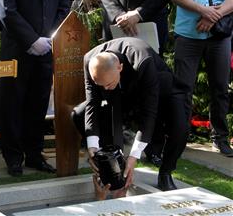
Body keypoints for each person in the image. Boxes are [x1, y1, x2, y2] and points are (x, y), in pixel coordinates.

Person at [72, 37, 189, 195]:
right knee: (79, 114)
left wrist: (134, 156)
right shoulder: (89, 60)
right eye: (101, 85)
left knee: (180, 128)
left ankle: (166, 172)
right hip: (125, 91)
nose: (105, 88)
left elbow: (149, 112)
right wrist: (93, 147)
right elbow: (92, 103)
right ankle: (112, 165)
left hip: (161, 89)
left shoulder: (143, 59)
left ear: (119, 67)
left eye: (108, 84)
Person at [96, 0, 178, 166]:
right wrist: (118, 15)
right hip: (116, 26)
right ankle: (113, 148)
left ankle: (153, 147)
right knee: (112, 89)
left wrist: (139, 14)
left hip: (150, 23)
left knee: (151, 87)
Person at [0, 0, 71, 176]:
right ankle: (13, 157)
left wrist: (49, 38)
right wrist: (31, 40)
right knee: (12, 104)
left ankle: (35, 154)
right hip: (17, 48)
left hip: (47, 47)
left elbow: (64, 6)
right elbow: (6, 10)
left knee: (39, 103)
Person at [172, 0, 233, 156]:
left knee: (220, 89)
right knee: (182, 90)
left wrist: (215, 15)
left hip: (218, 35)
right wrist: (203, 10)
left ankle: (220, 138)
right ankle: (179, 137)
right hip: (187, 34)